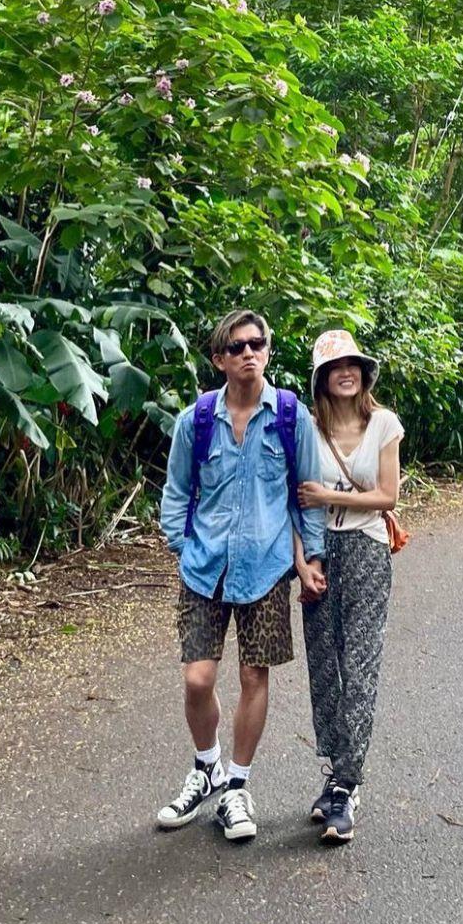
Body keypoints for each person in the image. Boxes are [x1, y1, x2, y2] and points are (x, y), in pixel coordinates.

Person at [156, 308, 327, 841]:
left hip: (268, 568)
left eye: (257, 343)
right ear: (219, 359)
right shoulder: (196, 421)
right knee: (198, 678)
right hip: (204, 569)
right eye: (237, 347)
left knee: (256, 676)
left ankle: (236, 785)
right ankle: (205, 766)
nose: (248, 352)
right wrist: (183, 547)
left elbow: (307, 496)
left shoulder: (291, 417)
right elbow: (177, 491)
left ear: (268, 352)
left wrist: (311, 558)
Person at [294, 328, 403, 844]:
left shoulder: (383, 423)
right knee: (324, 665)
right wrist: (302, 563)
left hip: (365, 551)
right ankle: (336, 772)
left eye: (353, 364)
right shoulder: (306, 431)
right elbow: (294, 503)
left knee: (359, 665)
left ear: (363, 373)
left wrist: (325, 497)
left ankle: (348, 785)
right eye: (336, 366)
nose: (346, 372)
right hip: (319, 554)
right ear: (321, 377)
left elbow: (386, 496)